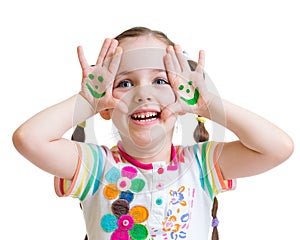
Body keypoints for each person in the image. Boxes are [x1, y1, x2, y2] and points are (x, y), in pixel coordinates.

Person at [12, 27, 294, 240]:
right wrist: (85, 103)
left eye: (160, 80)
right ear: (106, 107)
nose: (143, 93)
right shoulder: (94, 166)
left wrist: (209, 106)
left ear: (182, 100)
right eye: (125, 83)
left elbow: (277, 148)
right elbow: (28, 139)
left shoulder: (202, 165)